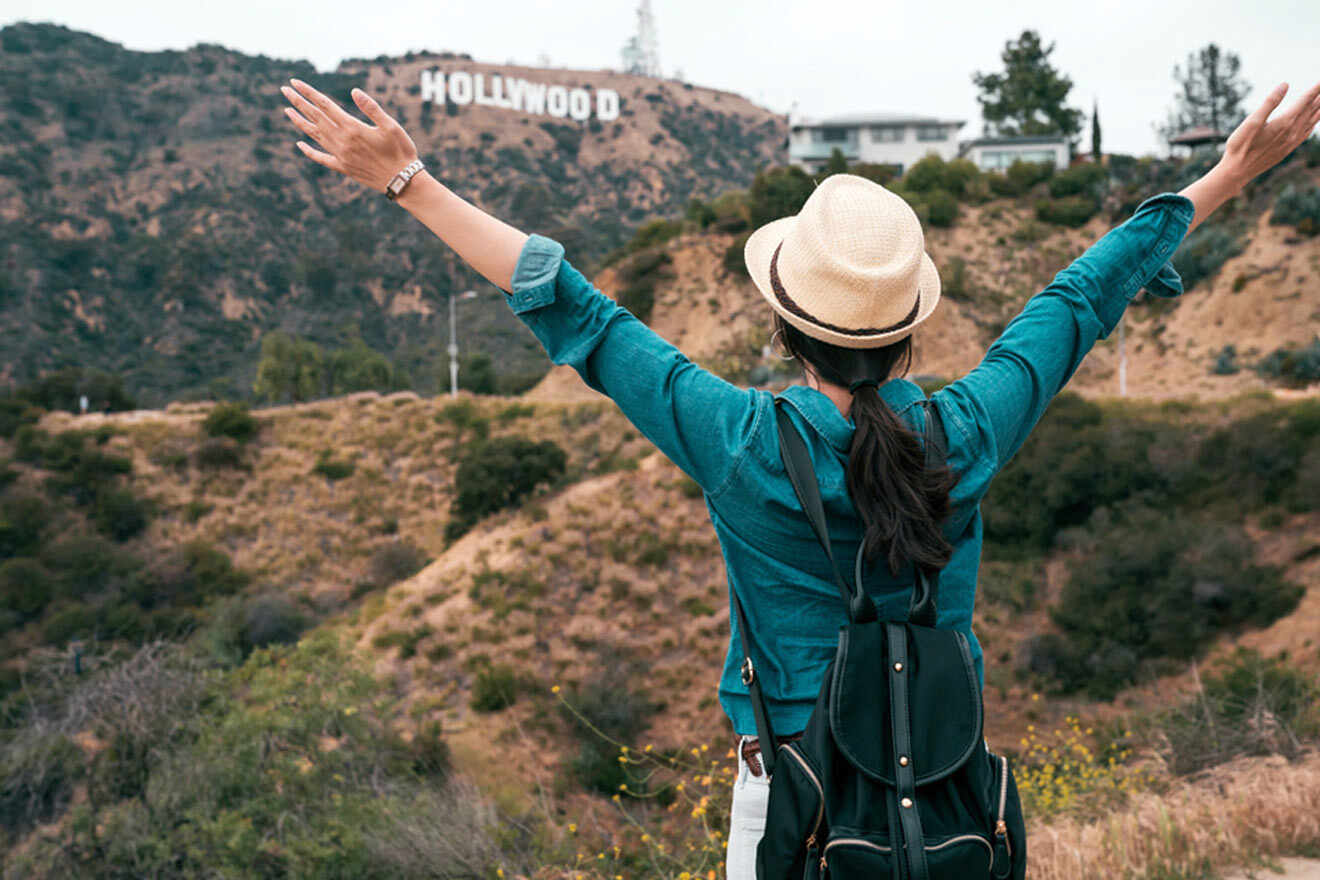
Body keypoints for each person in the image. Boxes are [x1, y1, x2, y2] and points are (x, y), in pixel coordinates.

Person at [280, 76, 1320, 877]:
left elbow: (579, 312)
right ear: (912, 327)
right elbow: (1083, 294)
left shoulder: (734, 436)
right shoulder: (972, 425)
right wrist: (1231, 170)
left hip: (792, 802)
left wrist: (407, 182)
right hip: (950, 802)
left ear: (779, 325)